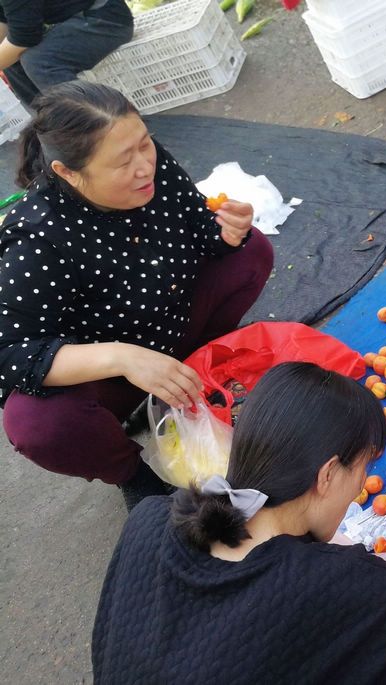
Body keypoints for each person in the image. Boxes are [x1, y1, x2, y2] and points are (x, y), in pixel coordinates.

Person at [92, 361, 386, 684]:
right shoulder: (340, 585)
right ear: (328, 474)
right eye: (363, 470)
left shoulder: (150, 520)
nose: (362, 487)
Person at [0, 81, 274, 508]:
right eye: (123, 161)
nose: (145, 166)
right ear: (68, 173)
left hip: (171, 323)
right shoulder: (38, 240)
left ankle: (196, 372)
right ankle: (131, 473)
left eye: (144, 143)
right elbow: (12, 352)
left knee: (251, 251)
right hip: (107, 377)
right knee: (36, 423)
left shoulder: (151, 166)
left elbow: (197, 229)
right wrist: (122, 357)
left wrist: (225, 232)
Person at [1, 0, 134, 107]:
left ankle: (93, 124)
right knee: (12, 62)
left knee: (38, 61)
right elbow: (5, 24)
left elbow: (24, 36)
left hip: (105, 19)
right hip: (69, 22)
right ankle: (45, 123)